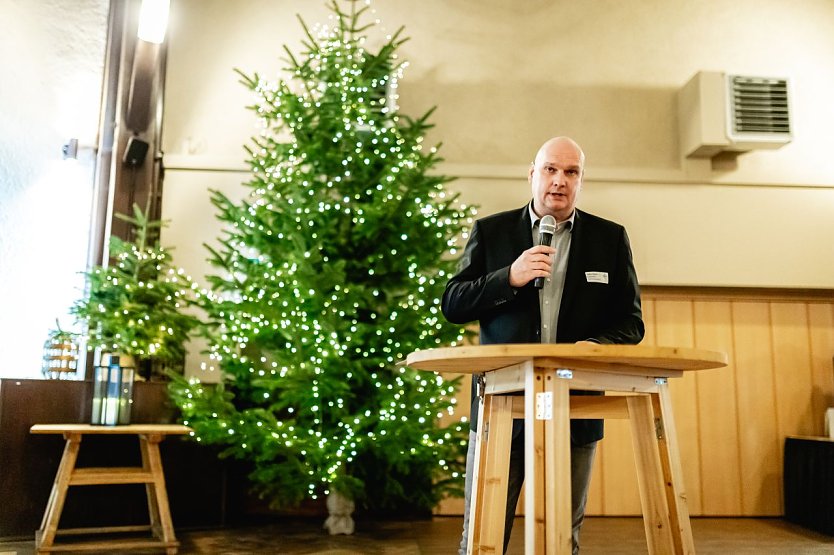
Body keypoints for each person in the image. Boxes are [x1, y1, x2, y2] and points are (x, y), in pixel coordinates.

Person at [441, 136, 644, 554]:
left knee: (561, 539)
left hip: (576, 404)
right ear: (532, 175)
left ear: (581, 180)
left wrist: (597, 343)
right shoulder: (492, 232)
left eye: (571, 172)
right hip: (502, 406)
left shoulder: (609, 239)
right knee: (483, 536)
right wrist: (507, 278)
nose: (559, 181)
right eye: (550, 170)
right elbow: (453, 303)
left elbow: (631, 322)